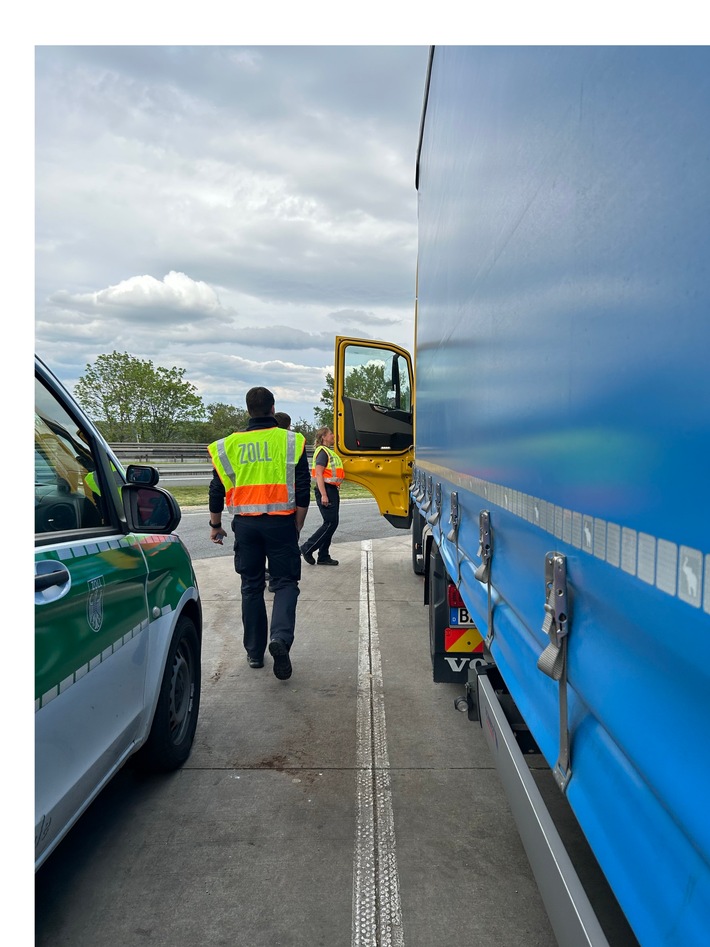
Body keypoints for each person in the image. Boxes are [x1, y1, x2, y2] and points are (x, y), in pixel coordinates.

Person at [207, 387, 310, 680]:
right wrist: (297, 525)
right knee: (286, 582)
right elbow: (303, 489)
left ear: (248, 410)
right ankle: (279, 638)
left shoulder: (227, 446)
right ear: (272, 407)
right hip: (282, 523)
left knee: (251, 586)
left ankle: (254, 653)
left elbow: (217, 489)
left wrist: (216, 525)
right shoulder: (291, 441)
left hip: (246, 526)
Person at [300, 426, 344, 566]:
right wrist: (324, 495)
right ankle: (308, 548)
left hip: (332, 489)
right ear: (324, 437)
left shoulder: (328, 452)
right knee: (330, 522)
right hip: (326, 490)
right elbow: (319, 474)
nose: (333, 436)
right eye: (331, 434)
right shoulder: (323, 452)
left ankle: (323, 555)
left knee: (332, 522)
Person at [266, 410, 292, 592]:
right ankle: (276, 579)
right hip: (282, 507)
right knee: (280, 553)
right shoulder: (289, 445)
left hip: (254, 507)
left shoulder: (263, 444)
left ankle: (264, 574)